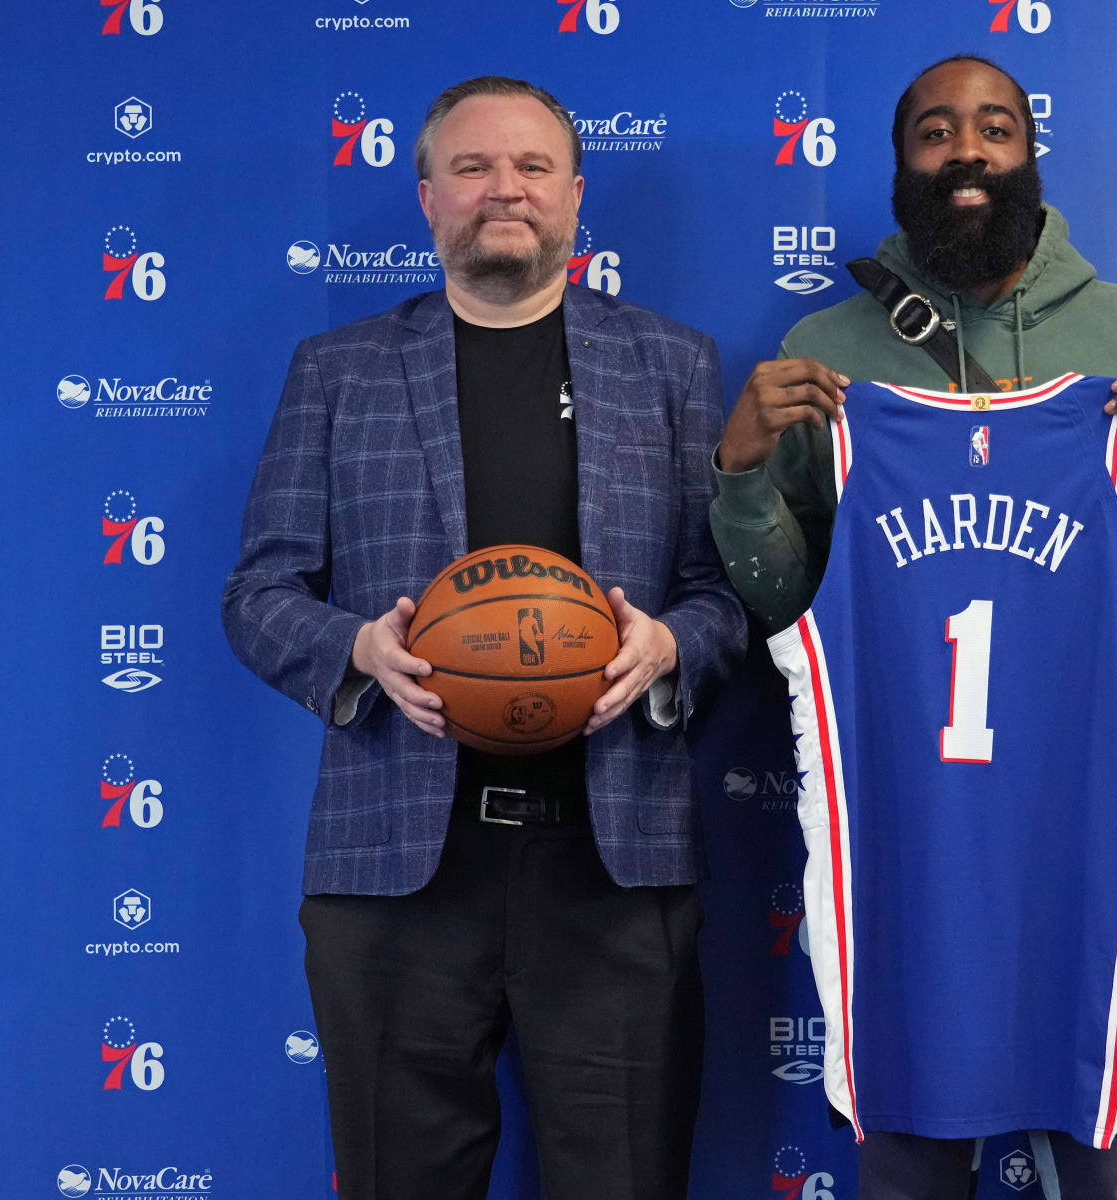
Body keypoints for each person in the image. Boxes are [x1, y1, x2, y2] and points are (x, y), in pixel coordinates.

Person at [709, 55, 1117, 1200]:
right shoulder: (828, 350)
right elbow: (785, 607)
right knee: (911, 1145)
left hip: (1096, 802)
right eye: (934, 132)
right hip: (908, 816)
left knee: (1109, 1142)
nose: (966, 151)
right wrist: (740, 476)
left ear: (1029, 153)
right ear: (901, 163)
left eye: (995, 129)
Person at [222, 75, 745, 1200]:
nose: (503, 189)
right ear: (426, 200)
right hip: (398, 867)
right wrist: (354, 652)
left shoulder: (673, 365)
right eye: (471, 168)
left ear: (574, 196)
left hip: (613, 864)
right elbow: (259, 591)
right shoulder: (340, 371)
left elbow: (726, 593)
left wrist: (669, 647)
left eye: (531, 168)